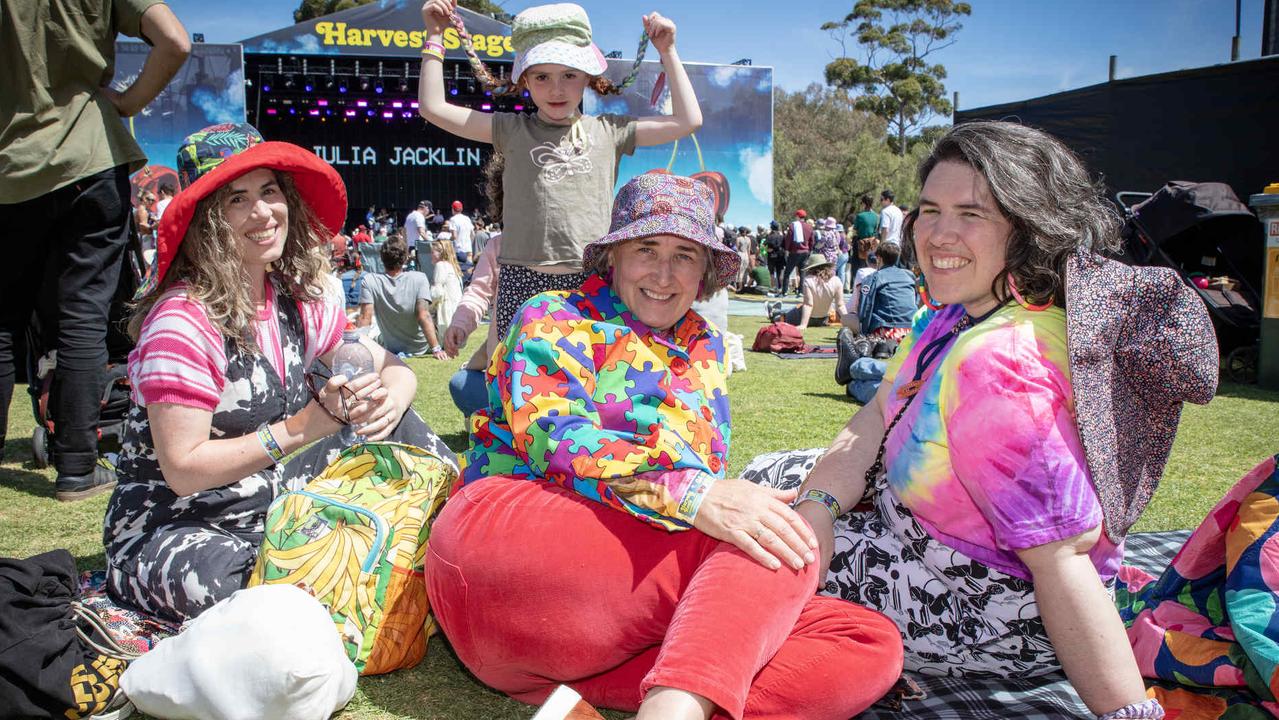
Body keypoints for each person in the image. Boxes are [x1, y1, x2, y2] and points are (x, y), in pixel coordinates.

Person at [755, 121, 1216, 720]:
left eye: (971, 214)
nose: (939, 234)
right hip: (941, 541)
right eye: (929, 210)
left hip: (990, 613)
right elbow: (876, 412)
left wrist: (1130, 714)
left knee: (750, 538)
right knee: (769, 481)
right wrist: (819, 504)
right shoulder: (961, 310)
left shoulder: (997, 367)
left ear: (1027, 230)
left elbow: (1061, 560)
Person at [425, 173, 902, 720]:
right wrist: (696, 495)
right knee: (775, 541)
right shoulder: (554, 315)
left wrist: (717, 498)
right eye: (646, 248)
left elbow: (703, 473)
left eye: (684, 254)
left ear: (703, 273)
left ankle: (639, 696)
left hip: (596, 630)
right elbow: (554, 439)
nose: (663, 272)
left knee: (869, 644)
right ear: (613, 258)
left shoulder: (703, 344)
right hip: (505, 546)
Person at [101, 123, 454, 622]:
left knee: (399, 426)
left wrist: (393, 395)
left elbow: (388, 365)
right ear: (207, 220)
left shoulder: (294, 299)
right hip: (179, 525)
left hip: (274, 507)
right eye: (237, 200)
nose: (263, 212)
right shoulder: (183, 320)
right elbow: (182, 470)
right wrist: (302, 428)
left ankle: (453, 540)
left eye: (269, 191)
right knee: (265, 601)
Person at [417, 0, 703, 341]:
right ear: (525, 78)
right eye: (542, 76)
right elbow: (433, 108)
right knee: (515, 386)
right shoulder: (512, 130)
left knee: (591, 384)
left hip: (589, 279)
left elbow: (688, 120)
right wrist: (435, 36)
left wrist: (668, 50)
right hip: (520, 277)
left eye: (569, 74)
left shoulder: (608, 130)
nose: (556, 88)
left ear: (587, 77)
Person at [0, 0, 189, 500]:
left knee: (3, 323)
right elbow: (175, 40)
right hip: (90, 159)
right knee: (83, 318)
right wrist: (125, 104)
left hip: (10, 164)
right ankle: (78, 469)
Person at [357, 234, 448, 359]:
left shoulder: (370, 281)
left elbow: (365, 317)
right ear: (405, 258)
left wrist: (357, 349)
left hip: (391, 347)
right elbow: (424, 315)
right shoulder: (419, 278)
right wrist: (436, 349)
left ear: (382, 258)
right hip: (421, 347)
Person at [850, 241, 917, 342]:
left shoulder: (873, 278)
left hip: (888, 331)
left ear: (879, 258)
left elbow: (865, 308)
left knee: (848, 322)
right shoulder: (909, 276)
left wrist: (863, 333)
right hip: (913, 331)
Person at [768, 254, 844, 329]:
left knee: (778, 319)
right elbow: (840, 305)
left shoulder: (808, 280)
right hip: (824, 319)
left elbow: (808, 304)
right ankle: (775, 311)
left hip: (806, 317)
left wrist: (803, 324)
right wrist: (848, 322)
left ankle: (773, 312)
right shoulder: (836, 280)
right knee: (797, 307)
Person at [430, 238, 463, 330]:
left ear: (441, 252)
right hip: (455, 311)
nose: (430, 255)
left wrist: (427, 307)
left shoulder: (440, 265)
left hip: (446, 312)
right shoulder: (452, 266)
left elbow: (437, 293)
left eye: (432, 252)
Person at [779, 209, 812, 296]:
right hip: (805, 252)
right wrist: (809, 250)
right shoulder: (809, 226)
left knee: (787, 272)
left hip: (795, 252)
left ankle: (785, 291)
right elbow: (812, 240)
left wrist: (786, 250)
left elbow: (788, 239)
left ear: (797, 216)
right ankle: (801, 291)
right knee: (802, 273)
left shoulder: (793, 225)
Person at [447, 200, 475, 268]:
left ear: (453, 209)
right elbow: (473, 234)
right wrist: (469, 243)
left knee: (459, 270)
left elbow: (454, 236)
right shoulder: (467, 218)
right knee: (470, 269)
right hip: (468, 248)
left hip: (459, 249)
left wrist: (447, 241)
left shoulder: (453, 219)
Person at [763, 220, 785, 289]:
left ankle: (772, 288)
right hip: (780, 256)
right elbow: (784, 246)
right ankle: (780, 288)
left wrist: (767, 250)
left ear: (771, 227)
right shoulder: (781, 236)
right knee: (779, 272)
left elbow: (763, 245)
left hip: (771, 256)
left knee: (771, 273)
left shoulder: (769, 236)